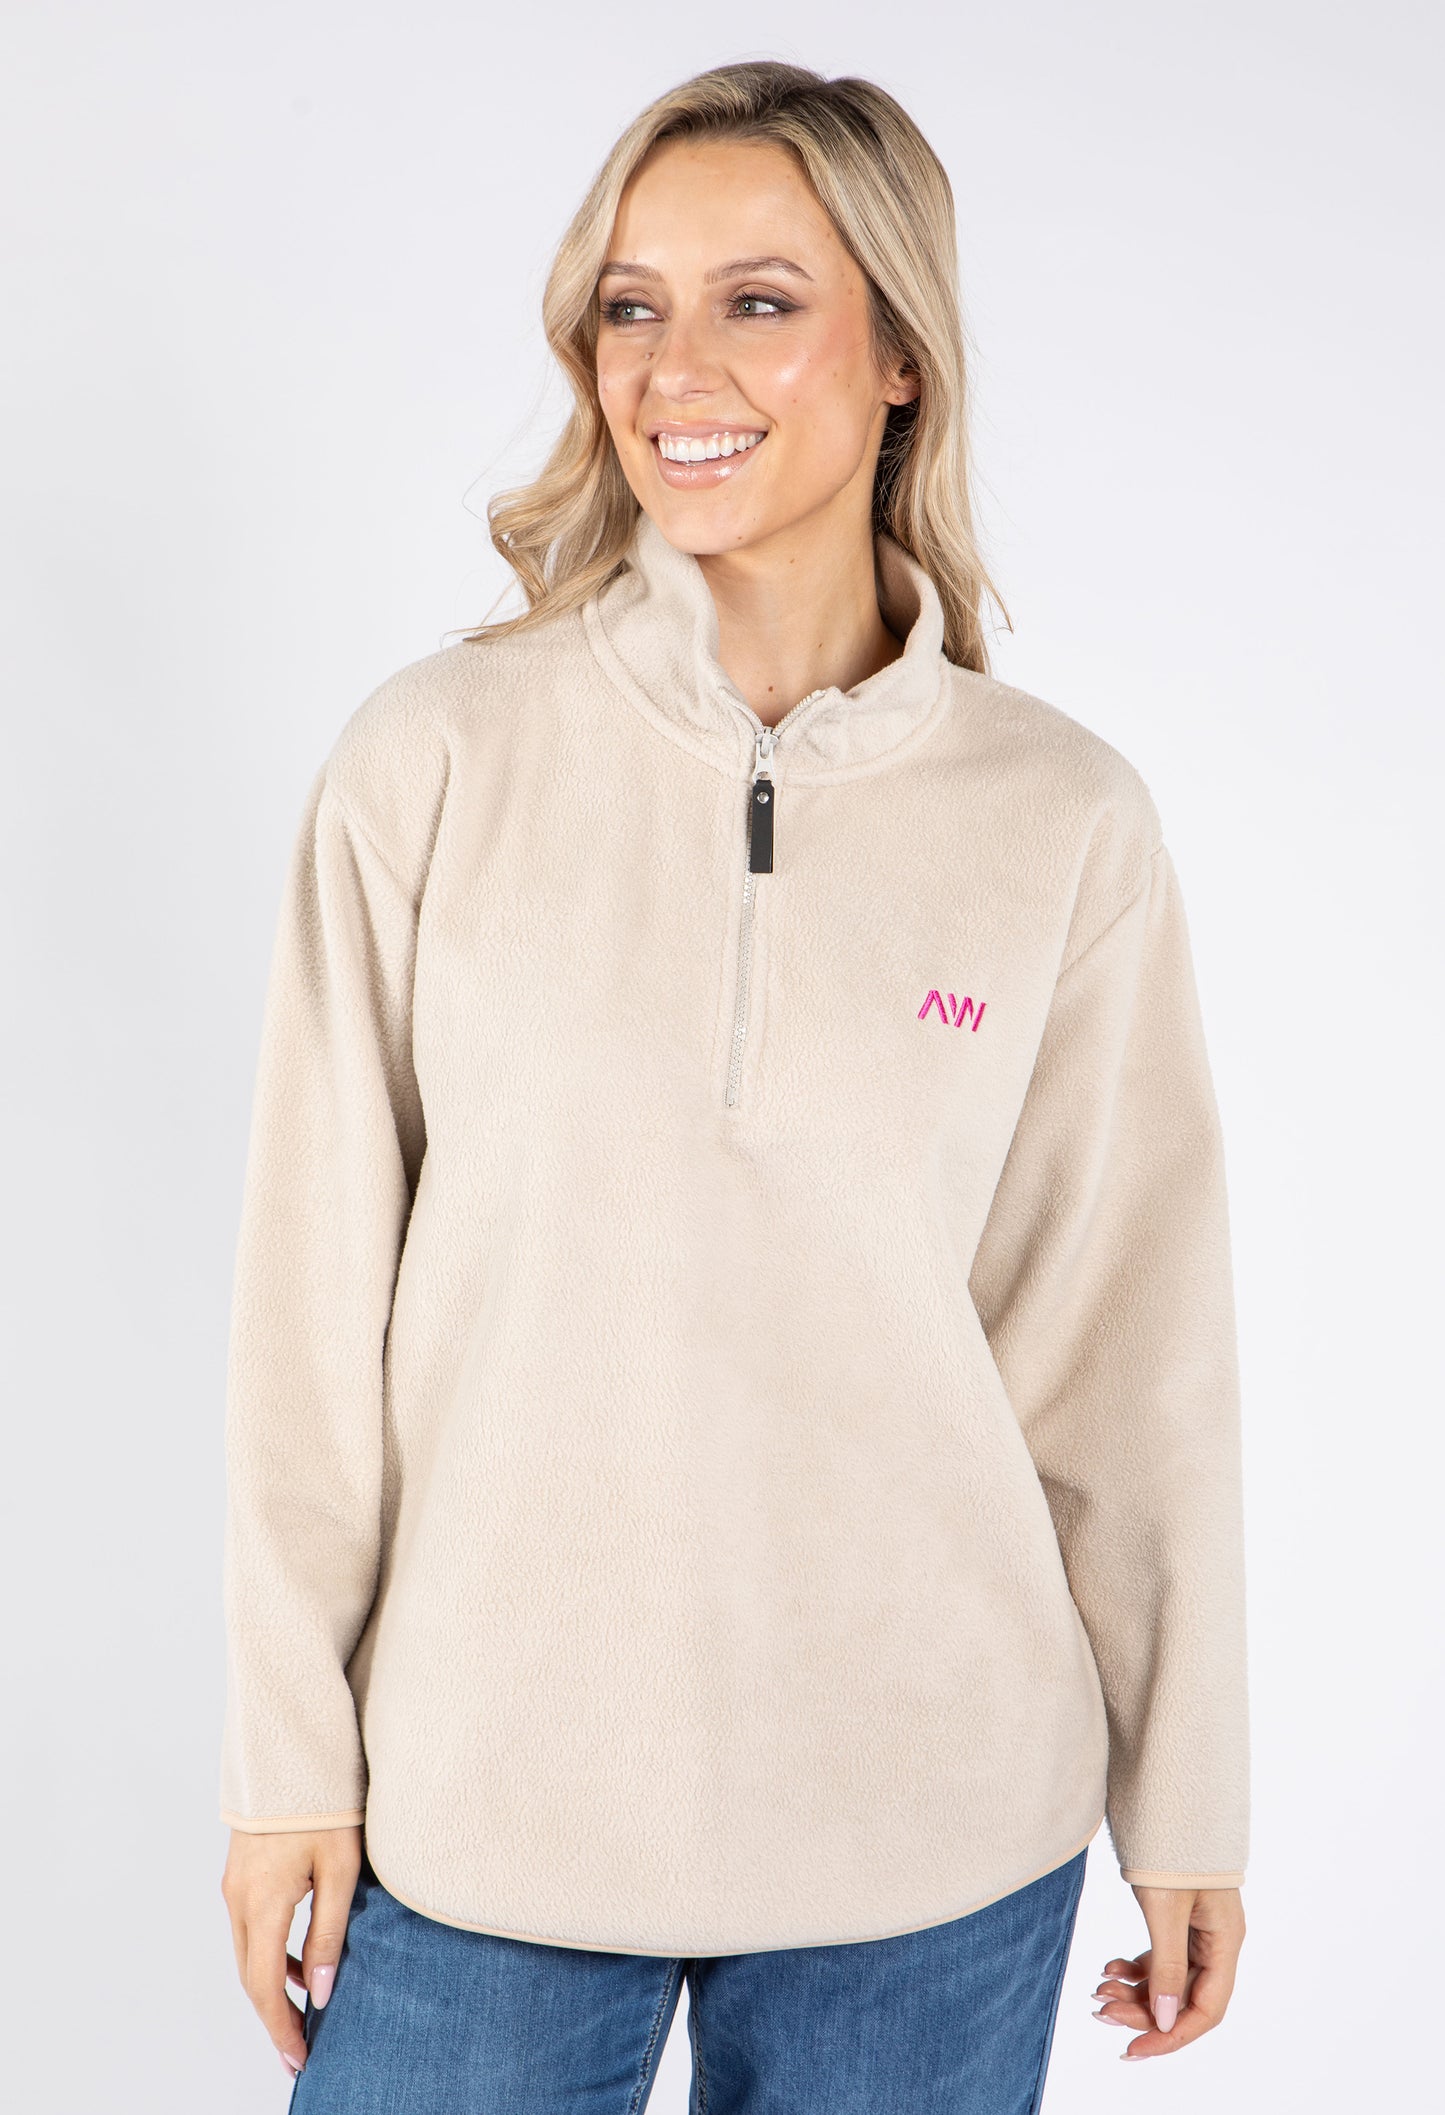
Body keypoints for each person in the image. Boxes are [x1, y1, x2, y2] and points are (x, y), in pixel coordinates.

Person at [218, 58, 1250, 2113]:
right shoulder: (432, 762)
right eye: (631, 305)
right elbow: (307, 1322)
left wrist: (1189, 1793)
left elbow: (1126, 1354)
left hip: (934, 1830)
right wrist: (283, 1767)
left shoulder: (1057, 817)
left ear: (898, 354)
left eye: (758, 301)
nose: (672, 368)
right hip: (491, 1808)